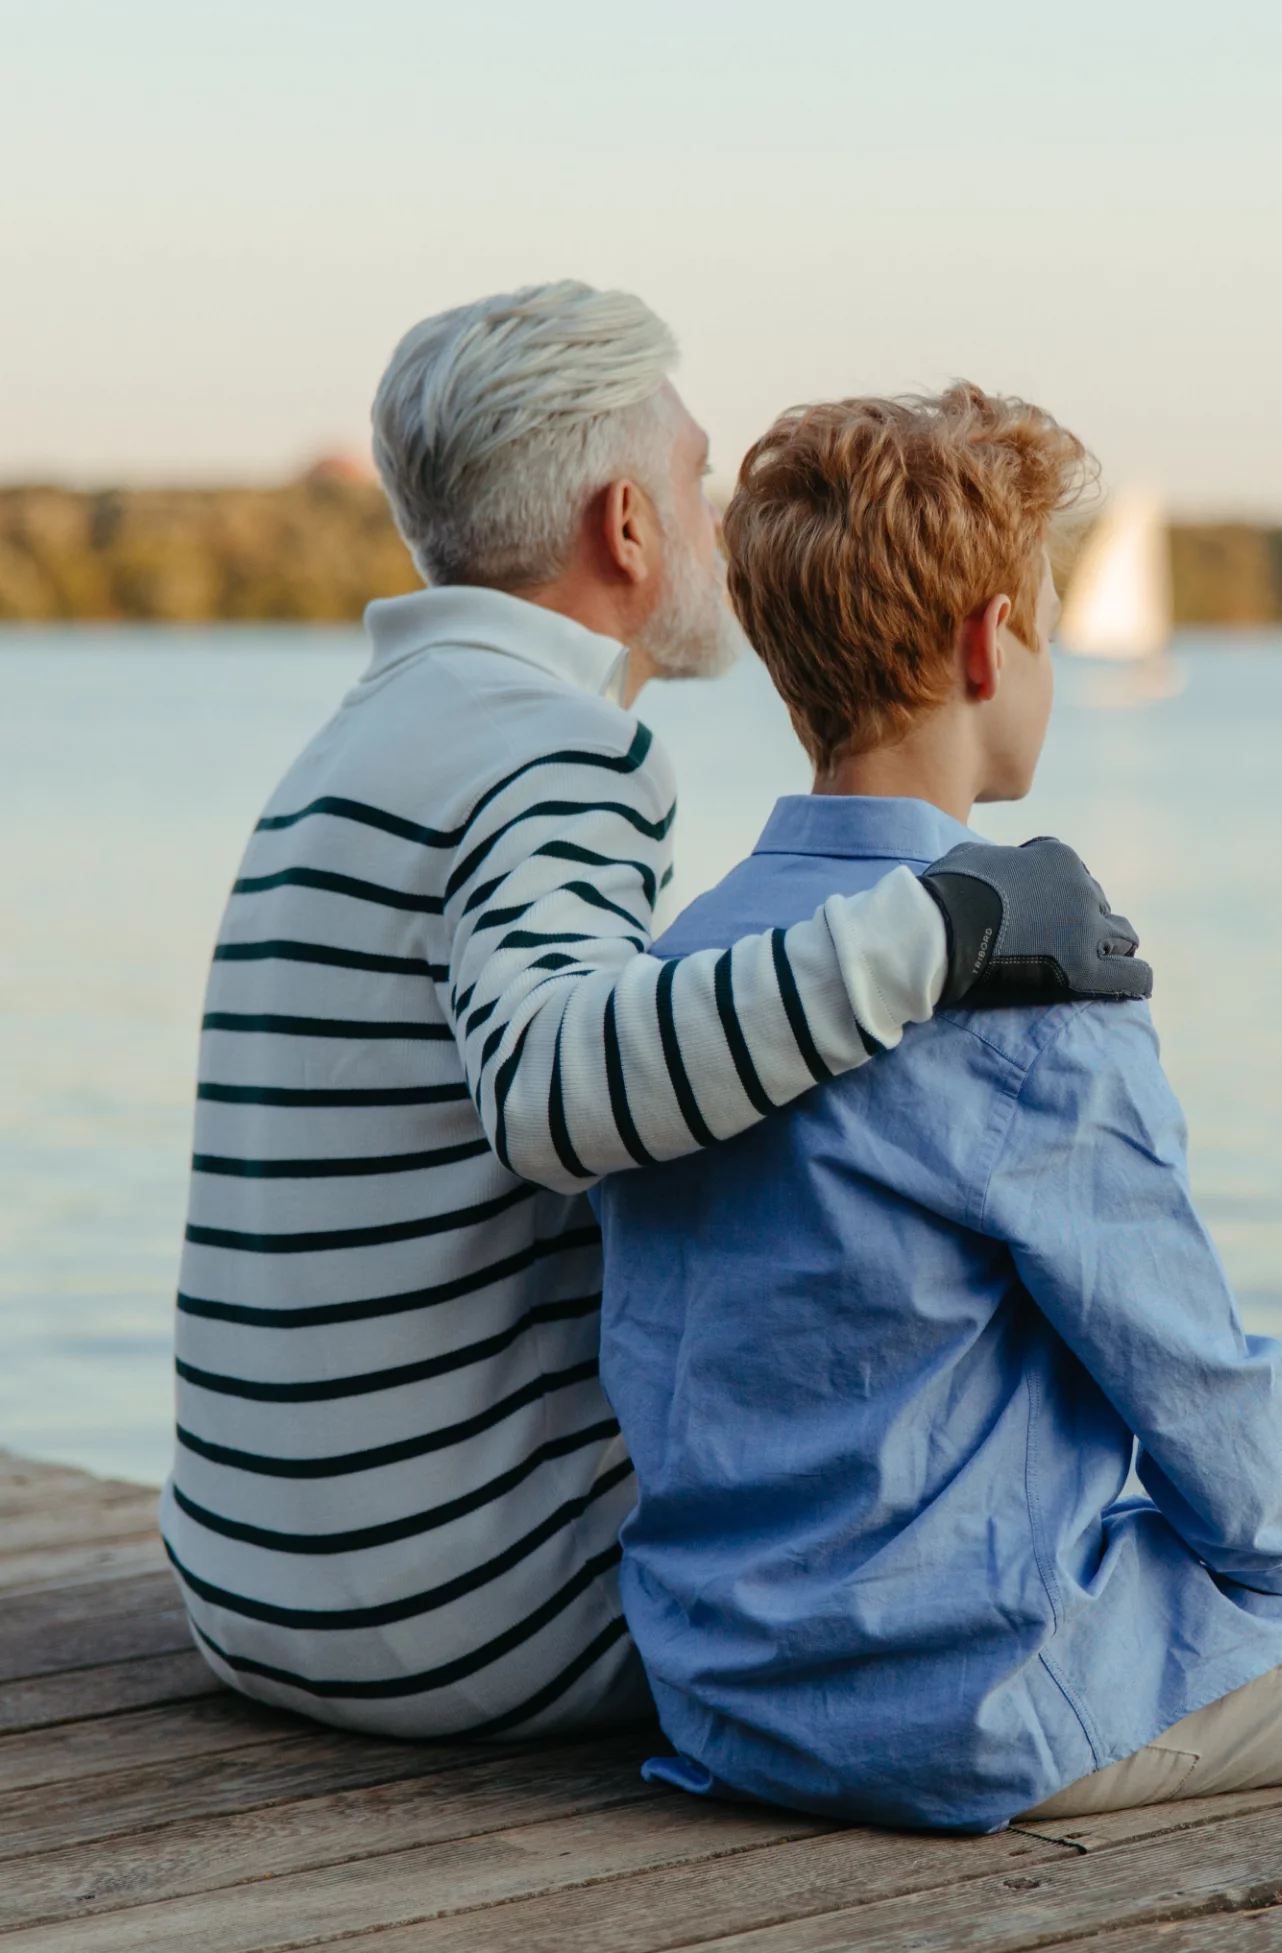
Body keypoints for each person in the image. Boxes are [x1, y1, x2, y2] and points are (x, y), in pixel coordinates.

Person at [596, 384, 1282, 1832]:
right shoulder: (1028, 989)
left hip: (726, 1694)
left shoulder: (677, 975)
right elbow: (1194, 1381)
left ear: (789, 672)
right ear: (989, 643)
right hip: (976, 1700)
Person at [164, 284, 1149, 1742]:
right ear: (626, 528)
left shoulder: (359, 741)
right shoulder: (557, 748)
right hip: (476, 1625)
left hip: (253, 1591)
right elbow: (559, 1093)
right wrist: (946, 928)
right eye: (694, 481)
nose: (715, 523)